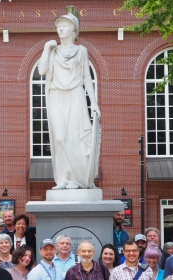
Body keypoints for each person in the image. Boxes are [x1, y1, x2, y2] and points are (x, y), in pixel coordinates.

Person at [38, 9, 101, 190]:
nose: (61, 29)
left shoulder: (81, 51)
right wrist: (46, 48)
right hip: (56, 96)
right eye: (59, 26)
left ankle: (76, 179)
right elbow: (42, 70)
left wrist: (93, 103)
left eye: (65, 26)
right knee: (60, 138)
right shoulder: (53, 51)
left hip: (75, 95)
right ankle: (63, 178)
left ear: (74, 30)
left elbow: (86, 77)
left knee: (75, 139)